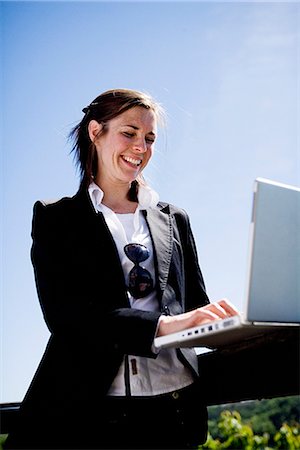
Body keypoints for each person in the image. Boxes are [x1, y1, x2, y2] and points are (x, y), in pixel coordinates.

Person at [5, 88, 238, 450]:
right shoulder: (56, 218)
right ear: (95, 132)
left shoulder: (175, 219)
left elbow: (193, 305)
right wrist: (165, 325)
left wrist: (230, 326)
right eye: (129, 133)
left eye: (149, 138)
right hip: (95, 413)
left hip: (176, 409)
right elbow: (67, 316)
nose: (141, 147)